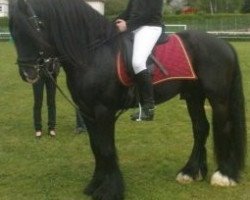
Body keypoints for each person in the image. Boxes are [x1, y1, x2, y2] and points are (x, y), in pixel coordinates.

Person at [115, 0, 164, 121]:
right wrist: (111, 23)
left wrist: (127, 25)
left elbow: (148, 14)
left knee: (137, 62)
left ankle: (149, 108)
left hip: (150, 27)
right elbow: (129, 12)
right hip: (135, 27)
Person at [33, 66, 59, 137]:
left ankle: (52, 127)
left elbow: (57, 57)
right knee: (38, 102)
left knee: (51, 101)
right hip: (38, 75)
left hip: (51, 74)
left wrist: (56, 68)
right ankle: (38, 128)